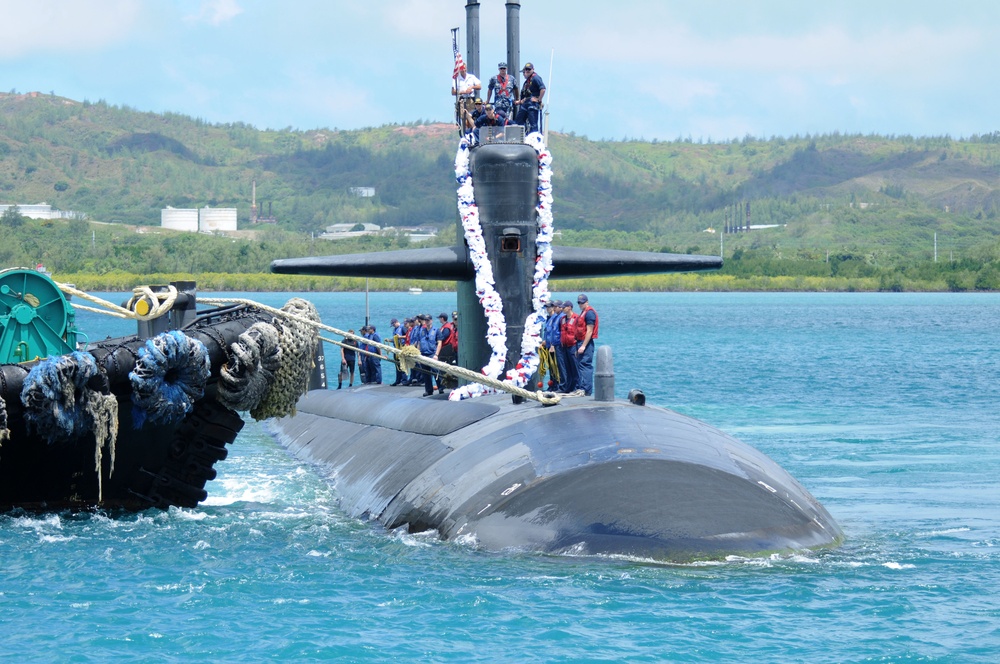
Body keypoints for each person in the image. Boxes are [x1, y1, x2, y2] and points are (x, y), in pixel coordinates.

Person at [574, 294, 599, 396]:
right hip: (580, 342)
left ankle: (586, 390)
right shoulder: (583, 313)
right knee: (580, 365)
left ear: (587, 302)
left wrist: (583, 346)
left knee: (585, 366)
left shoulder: (589, 313)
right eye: (579, 303)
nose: (580, 304)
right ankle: (581, 387)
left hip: (586, 343)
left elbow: (589, 331)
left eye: (582, 302)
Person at [514, 62, 545, 134]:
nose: (527, 71)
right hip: (526, 104)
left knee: (533, 124)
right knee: (519, 120)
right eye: (526, 70)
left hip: (532, 105)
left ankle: (534, 139)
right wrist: (520, 101)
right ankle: (521, 136)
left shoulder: (535, 78)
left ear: (533, 69)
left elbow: (543, 89)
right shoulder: (527, 82)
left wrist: (538, 99)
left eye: (529, 69)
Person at [452, 63, 481, 131]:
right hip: (462, 101)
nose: (463, 70)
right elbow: (453, 92)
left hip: (470, 100)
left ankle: (472, 132)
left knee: (471, 117)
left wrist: (472, 87)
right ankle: (466, 133)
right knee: (464, 118)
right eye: (462, 68)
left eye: (464, 68)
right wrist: (464, 91)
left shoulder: (471, 77)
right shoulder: (456, 79)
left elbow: (479, 86)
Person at [434, 312, 458, 393]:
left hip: (449, 350)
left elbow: (443, 337)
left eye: (456, 319)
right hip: (453, 350)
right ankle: (445, 383)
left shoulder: (447, 327)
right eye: (454, 319)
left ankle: (444, 385)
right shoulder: (451, 326)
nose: (455, 321)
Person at [559, 301, 579, 395]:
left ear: (569, 307)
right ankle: (569, 387)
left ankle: (577, 387)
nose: (562, 309)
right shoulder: (562, 319)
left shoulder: (576, 318)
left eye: (564, 307)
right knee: (567, 368)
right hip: (565, 347)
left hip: (573, 346)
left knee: (575, 368)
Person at [416, 314, 438, 396]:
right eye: (426, 320)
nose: (427, 322)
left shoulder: (436, 330)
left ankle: (441, 388)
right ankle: (428, 390)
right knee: (426, 374)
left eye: (428, 320)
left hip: (432, 354)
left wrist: (436, 354)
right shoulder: (421, 331)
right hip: (423, 354)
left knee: (436, 372)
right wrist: (418, 354)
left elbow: (439, 343)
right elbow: (419, 342)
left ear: (431, 321)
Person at [390, 318, 408, 386]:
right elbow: (395, 338)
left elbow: (407, 336)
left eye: (394, 324)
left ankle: (404, 380)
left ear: (397, 322)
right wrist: (390, 340)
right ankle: (398, 380)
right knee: (397, 364)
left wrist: (401, 337)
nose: (394, 326)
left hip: (401, 347)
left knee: (403, 364)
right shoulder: (395, 329)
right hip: (396, 348)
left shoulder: (403, 327)